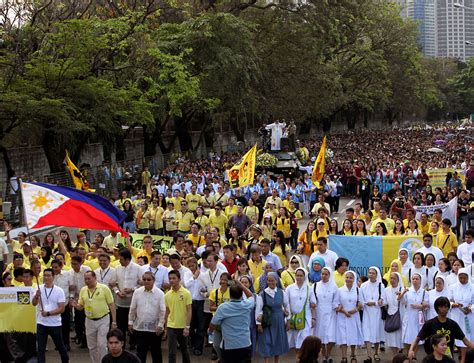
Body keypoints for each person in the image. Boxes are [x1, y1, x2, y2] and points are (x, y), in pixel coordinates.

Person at [70, 270, 117, 363]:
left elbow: (111, 304)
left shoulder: (104, 288)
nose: (87, 281)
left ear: (95, 278)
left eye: (89, 279)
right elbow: (80, 307)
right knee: (91, 346)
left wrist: (114, 321)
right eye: (85, 279)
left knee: (102, 344)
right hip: (89, 320)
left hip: (103, 319)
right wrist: (75, 305)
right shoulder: (83, 290)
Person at [409, 297, 474, 360]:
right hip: (433, 359)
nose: (444, 309)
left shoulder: (453, 324)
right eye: (441, 307)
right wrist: (411, 350)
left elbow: (466, 341)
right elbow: (417, 339)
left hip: (448, 359)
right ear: (437, 308)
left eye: (446, 307)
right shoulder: (429, 324)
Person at [209, 279, 255, 363]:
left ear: (230, 295)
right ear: (241, 295)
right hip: (245, 344)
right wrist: (240, 285)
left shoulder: (223, 307)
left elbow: (213, 323)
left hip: (229, 346)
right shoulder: (247, 305)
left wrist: (210, 332)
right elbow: (251, 295)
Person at [31, 268, 69, 363]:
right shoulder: (38, 288)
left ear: (53, 277)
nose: (46, 277)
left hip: (55, 324)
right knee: (41, 349)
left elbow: (61, 308)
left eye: (48, 275)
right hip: (41, 323)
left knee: (60, 347)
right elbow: (34, 303)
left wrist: (48, 313)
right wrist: (36, 296)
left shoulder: (59, 290)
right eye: (45, 275)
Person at [128, 271, 166, 363]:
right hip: (140, 327)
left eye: (149, 279)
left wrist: (161, 325)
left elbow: (163, 311)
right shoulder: (137, 292)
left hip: (155, 328)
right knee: (140, 353)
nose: (146, 281)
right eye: (144, 279)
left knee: (156, 352)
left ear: (153, 280)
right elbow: (132, 308)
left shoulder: (160, 293)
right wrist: (130, 322)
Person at [256, 272, 290, 362]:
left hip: (279, 320)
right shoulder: (262, 294)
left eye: (272, 280)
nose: (270, 282)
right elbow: (258, 310)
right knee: (266, 341)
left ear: (276, 281)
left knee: (277, 341)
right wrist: (258, 324)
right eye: (268, 280)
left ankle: (276, 361)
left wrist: (288, 320)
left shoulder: (281, 292)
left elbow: (286, 306)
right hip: (267, 321)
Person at [113, 248, 142, 349]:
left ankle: (133, 343)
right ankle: (122, 344)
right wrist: (117, 292)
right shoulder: (117, 268)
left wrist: (132, 289)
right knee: (121, 326)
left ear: (127, 259)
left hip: (133, 301)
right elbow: (113, 284)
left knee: (133, 323)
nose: (119, 261)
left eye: (121, 259)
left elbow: (142, 284)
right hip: (120, 302)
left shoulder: (138, 268)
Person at [165, 269, 192, 363]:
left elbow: (189, 310)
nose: (171, 280)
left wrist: (187, 327)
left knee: (184, 350)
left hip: (182, 326)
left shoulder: (186, 293)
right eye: (170, 278)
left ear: (179, 279)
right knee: (172, 351)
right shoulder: (167, 294)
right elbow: (167, 311)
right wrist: (165, 328)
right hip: (171, 326)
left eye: (174, 278)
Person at [336, 270, 363, 363]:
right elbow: (336, 304)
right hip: (342, 316)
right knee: (343, 337)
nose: (348, 279)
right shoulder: (339, 290)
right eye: (347, 277)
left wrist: (354, 310)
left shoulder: (358, 290)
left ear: (354, 279)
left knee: (353, 336)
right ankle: (344, 357)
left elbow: (361, 303)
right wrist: (344, 311)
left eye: (351, 278)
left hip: (353, 316)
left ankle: (353, 354)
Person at [287, 268, 317, 351]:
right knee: (296, 341)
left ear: (305, 277)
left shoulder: (309, 289)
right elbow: (286, 304)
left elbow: (313, 305)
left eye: (301, 276)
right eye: (297, 275)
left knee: (305, 340)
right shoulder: (289, 288)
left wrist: (314, 318)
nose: (299, 277)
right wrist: (287, 319)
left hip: (306, 319)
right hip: (293, 319)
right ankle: (299, 358)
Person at [447, 268, 473, 363]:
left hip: (468, 316)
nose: (462, 280)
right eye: (460, 278)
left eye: (464, 278)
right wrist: (453, 304)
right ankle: (460, 357)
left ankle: (464, 358)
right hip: (456, 315)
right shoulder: (453, 287)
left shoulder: (472, 287)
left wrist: (471, 307)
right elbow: (448, 300)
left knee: (466, 337)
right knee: (456, 337)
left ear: (468, 277)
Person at [360, 266, 385, 363]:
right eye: (369, 273)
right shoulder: (363, 285)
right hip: (367, 312)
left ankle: (376, 353)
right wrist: (367, 303)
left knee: (377, 333)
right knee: (367, 333)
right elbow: (361, 300)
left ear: (377, 274)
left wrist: (374, 303)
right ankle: (369, 355)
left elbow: (382, 300)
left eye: (373, 273)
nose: (371, 275)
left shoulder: (380, 285)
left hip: (377, 313)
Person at [314, 267, 338, 362]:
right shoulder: (315, 285)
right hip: (319, 312)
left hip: (331, 312)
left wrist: (336, 307)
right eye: (322, 274)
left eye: (326, 274)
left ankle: (329, 353)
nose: (324, 276)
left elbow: (336, 300)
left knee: (331, 335)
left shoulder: (333, 286)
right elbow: (313, 299)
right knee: (321, 335)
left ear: (329, 275)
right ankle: (324, 355)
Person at [403, 272, 428, 350]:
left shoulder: (425, 292)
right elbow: (403, 302)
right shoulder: (407, 291)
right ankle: (408, 354)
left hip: (418, 317)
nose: (415, 280)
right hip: (409, 317)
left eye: (417, 279)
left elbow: (426, 306)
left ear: (420, 280)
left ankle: (414, 356)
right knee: (407, 337)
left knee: (417, 337)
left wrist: (419, 306)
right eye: (413, 279)